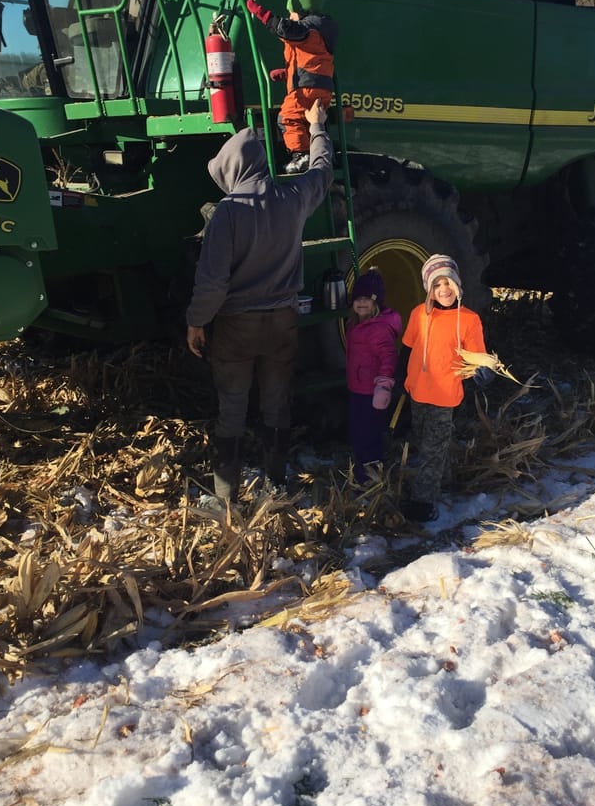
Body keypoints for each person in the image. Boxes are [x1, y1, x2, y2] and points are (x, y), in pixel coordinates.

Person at [186, 100, 333, 503]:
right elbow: (321, 172)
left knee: (232, 407)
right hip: (283, 322)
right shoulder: (292, 198)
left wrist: (196, 322)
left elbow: (213, 282)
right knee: (276, 403)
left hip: (236, 327)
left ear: (232, 169)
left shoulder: (228, 213)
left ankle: (225, 497)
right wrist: (317, 127)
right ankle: (275, 482)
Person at [399, 254, 487, 522]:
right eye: (437, 285)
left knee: (431, 448)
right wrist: (400, 382)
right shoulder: (419, 314)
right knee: (424, 441)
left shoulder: (469, 320)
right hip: (417, 391)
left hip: (445, 395)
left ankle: (423, 503)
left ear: (458, 284)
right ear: (429, 289)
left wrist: (483, 372)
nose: (444, 290)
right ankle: (445, 478)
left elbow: (478, 355)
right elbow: (407, 349)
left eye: (448, 283)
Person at [245, 0, 338, 173]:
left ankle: (302, 156)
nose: (289, 16)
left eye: (291, 12)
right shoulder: (320, 29)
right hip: (319, 85)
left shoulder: (307, 28)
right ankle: (323, 153)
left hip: (307, 88)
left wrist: (260, 13)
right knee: (309, 121)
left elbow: (284, 28)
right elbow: (311, 61)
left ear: (302, 10)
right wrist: (287, 74)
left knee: (288, 118)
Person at [344, 267, 402, 484]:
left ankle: (370, 478)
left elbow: (388, 356)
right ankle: (362, 473)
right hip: (357, 389)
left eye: (367, 299)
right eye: (357, 299)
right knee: (358, 433)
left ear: (376, 302)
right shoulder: (355, 324)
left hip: (372, 392)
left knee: (369, 435)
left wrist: (384, 385)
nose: (361, 303)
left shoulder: (377, 329)